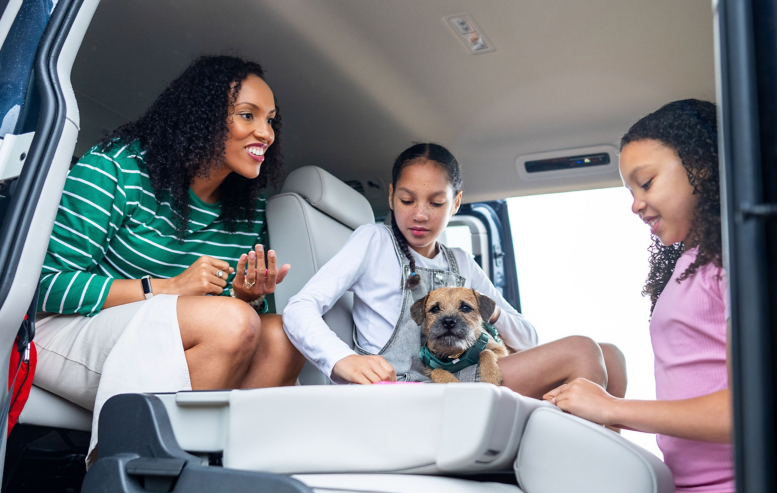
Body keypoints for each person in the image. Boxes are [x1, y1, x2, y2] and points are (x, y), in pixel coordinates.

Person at [34, 56, 305, 422]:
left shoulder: (247, 211)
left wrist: (243, 295)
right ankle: (145, 464)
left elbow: (218, 311)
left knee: (285, 336)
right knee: (230, 321)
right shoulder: (115, 169)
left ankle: (226, 466)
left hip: (166, 329)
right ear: (203, 116)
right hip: (61, 327)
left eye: (270, 120)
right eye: (248, 115)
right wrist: (164, 288)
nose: (266, 133)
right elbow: (44, 286)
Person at [283, 143, 626, 400]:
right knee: (581, 350)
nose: (420, 214)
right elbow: (300, 307)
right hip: (410, 388)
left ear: (457, 203)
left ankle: (606, 468)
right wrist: (341, 359)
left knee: (609, 354)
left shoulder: (461, 262)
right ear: (390, 197)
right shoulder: (374, 240)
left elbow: (528, 338)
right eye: (407, 200)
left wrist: (485, 311)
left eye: (435, 203)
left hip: (463, 376)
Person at [544, 99, 736, 493]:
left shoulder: (735, 261)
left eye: (646, 183)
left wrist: (614, 408)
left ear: (701, 166)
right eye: (630, 192)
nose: (636, 204)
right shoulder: (694, 260)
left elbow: (744, 412)